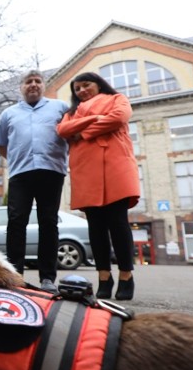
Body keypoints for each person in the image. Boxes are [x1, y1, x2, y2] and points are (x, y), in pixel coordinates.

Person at [57, 72, 139, 300]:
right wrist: (94, 121)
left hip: (115, 165)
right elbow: (63, 130)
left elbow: (119, 117)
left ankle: (125, 276)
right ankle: (104, 276)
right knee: (95, 226)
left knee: (119, 223)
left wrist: (83, 131)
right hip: (85, 169)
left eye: (86, 85)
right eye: (77, 88)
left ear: (99, 84)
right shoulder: (70, 113)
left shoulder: (117, 99)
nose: (82, 90)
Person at [0, 70, 69, 292]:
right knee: (16, 222)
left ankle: (47, 279)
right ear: (21, 87)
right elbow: (1, 145)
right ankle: (15, 276)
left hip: (51, 171)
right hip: (20, 174)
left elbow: (72, 134)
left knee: (49, 222)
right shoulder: (8, 114)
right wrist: (19, 158)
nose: (33, 85)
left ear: (43, 85)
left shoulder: (60, 108)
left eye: (37, 81)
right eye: (28, 82)